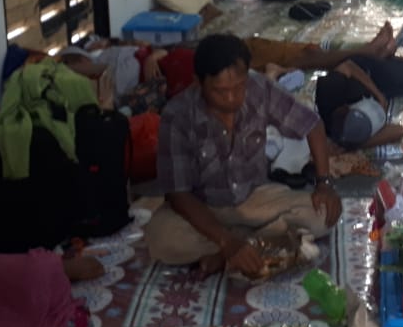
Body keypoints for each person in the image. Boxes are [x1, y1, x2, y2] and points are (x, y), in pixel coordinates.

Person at [147, 34, 343, 272]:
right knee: (160, 240)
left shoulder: (259, 87)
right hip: (203, 207)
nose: (231, 98)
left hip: (255, 198)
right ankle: (253, 241)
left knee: (322, 216)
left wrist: (323, 183)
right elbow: (179, 195)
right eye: (220, 91)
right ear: (197, 83)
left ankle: (231, 250)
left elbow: (312, 125)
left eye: (238, 87)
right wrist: (226, 240)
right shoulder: (177, 115)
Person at [153, 23, 398, 100]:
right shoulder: (182, 98)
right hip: (224, 62)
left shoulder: (147, 54)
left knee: (302, 52)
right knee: (305, 57)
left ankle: (368, 50)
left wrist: (153, 54)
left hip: (232, 50)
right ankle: (367, 50)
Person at [314, 57, 403, 151]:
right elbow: (399, 131)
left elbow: (348, 65)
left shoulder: (330, 90)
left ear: (346, 107)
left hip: (363, 75)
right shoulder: (342, 134)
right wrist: (356, 145)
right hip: (375, 94)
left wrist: (378, 95)